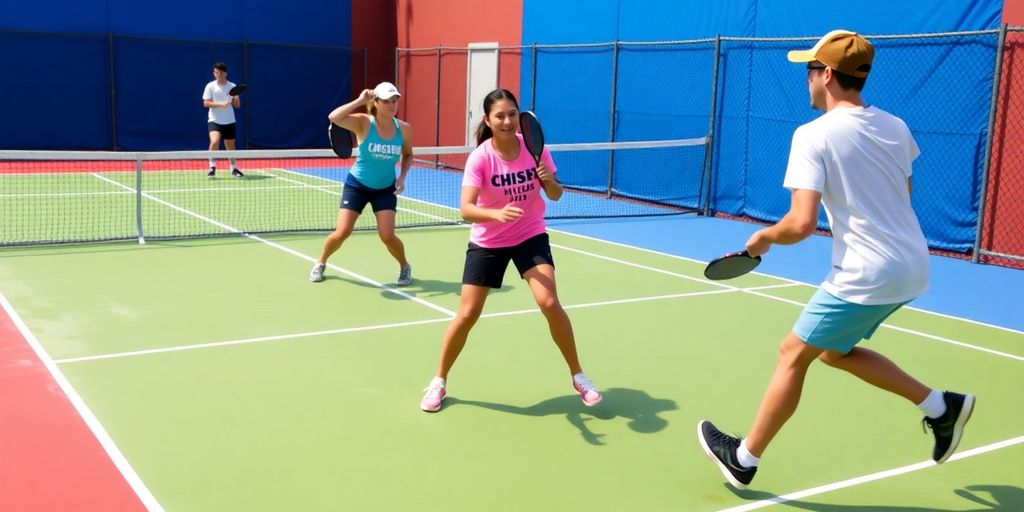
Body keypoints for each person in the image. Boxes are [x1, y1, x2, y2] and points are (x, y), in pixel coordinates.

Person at [696, 30, 975, 489]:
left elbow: (801, 223)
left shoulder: (813, 135)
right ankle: (941, 408)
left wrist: (762, 238)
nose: (805, 79)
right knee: (832, 351)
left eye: (809, 70)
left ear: (826, 74)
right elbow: (902, 197)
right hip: (913, 266)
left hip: (868, 272)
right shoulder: (896, 127)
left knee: (792, 353)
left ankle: (743, 459)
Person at [419, 88, 601, 412]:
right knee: (467, 314)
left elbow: (556, 196)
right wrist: (496, 214)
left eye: (512, 114)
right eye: (499, 116)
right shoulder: (481, 158)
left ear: (519, 117)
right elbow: (465, 209)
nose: (507, 120)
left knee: (549, 302)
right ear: (488, 120)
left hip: (529, 234)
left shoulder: (535, 150)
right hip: (489, 240)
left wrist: (549, 181)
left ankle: (579, 375)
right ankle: (439, 380)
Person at [309, 82, 414, 286]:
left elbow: (408, 154)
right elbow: (334, 117)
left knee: (387, 236)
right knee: (342, 232)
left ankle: (404, 266)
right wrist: (359, 101)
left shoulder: (405, 129)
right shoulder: (364, 123)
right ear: (376, 102)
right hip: (357, 185)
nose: (392, 105)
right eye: (386, 101)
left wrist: (402, 177)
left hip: (385, 189)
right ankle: (320, 262)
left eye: (395, 101)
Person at [201, 62, 244, 178]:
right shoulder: (210, 86)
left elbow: (237, 106)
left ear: (225, 73)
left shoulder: (232, 86)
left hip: (229, 120)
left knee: (230, 146)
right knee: (214, 141)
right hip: (214, 120)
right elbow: (206, 103)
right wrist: (221, 104)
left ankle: (233, 168)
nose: (216, 74)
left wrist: (235, 99)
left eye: (219, 72)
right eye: (215, 72)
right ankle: (212, 167)